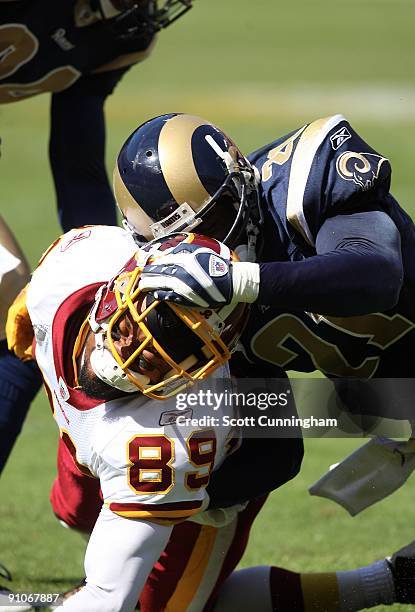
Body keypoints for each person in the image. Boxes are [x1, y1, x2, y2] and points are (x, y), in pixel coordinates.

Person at [0, 0, 193, 474]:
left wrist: (99, 267)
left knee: (31, 329)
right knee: (15, 307)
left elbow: (77, 159)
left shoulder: (124, 31)